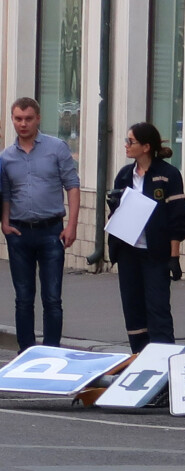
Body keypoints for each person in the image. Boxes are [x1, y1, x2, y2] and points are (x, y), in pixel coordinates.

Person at [0, 97, 81, 354]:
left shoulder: (56, 148)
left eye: (28, 119)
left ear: (38, 119)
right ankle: (26, 353)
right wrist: (5, 224)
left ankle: (52, 352)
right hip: (19, 232)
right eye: (18, 119)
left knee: (52, 298)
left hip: (51, 231)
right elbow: (5, 194)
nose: (22, 124)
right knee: (23, 298)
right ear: (12, 119)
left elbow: (72, 185)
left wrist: (72, 226)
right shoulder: (6, 157)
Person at [107, 122, 185, 353]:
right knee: (133, 309)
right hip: (128, 252)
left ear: (145, 146)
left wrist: (174, 256)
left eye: (130, 141)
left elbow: (178, 217)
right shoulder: (125, 175)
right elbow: (117, 215)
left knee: (158, 309)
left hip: (155, 254)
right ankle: (138, 359)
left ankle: (163, 364)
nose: (126, 145)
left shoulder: (167, 175)